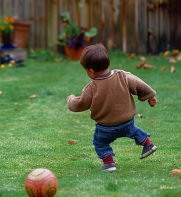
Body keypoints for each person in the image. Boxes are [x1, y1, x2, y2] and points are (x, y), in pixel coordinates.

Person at [66, 44, 158, 172]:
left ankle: (109, 164)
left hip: (105, 127)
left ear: (91, 71)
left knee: (100, 142)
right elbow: (139, 84)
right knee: (133, 130)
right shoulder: (122, 76)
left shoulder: (91, 88)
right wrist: (150, 95)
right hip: (127, 122)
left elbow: (79, 104)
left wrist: (70, 100)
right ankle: (148, 144)